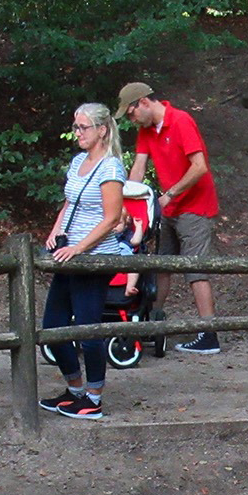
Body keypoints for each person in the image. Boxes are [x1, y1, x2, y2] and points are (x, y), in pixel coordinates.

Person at [39, 104, 141, 421]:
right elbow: (69, 202)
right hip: (68, 254)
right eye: (76, 127)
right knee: (53, 325)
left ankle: (94, 396)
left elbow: (112, 218)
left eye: (83, 127)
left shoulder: (111, 168)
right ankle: (74, 389)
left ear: (102, 130)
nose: (78, 133)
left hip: (93, 257)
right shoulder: (78, 162)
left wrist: (80, 247)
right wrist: (56, 233)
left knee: (87, 327)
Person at [119, 82, 222, 355]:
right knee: (162, 264)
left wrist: (170, 193)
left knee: (195, 269)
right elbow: (139, 168)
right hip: (170, 209)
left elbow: (199, 167)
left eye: (131, 114)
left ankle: (208, 334)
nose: (131, 120)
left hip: (194, 206)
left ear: (143, 102)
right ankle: (153, 321)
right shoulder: (146, 131)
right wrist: (128, 204)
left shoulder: (180, 120)